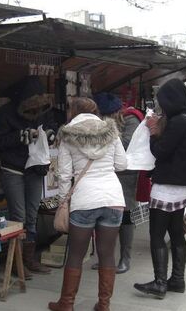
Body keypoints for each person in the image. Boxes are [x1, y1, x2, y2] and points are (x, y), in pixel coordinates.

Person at [48, 97, 127, 311]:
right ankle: (104, 305)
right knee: (107, 253)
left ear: (73, 111)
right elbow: (122, 164)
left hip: (84, 199)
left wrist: (64, 201)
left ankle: (66, 303)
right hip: (113, 198)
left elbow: (64, 175)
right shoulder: (110, 131)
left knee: (76, 253)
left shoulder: (67, 134)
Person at [134, 78, 186, 299]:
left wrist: (153, 131)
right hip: (184, 186)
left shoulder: (178, 121)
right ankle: (177, 280)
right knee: (176, 232)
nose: (161, 106)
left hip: (168, 185)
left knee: (156, 234)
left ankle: (160, 282)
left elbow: (161, 152)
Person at [0, 76, 57, 276]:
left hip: (34, 168)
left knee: (32, 215)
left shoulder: (43, 110)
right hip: (13, 168)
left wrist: (50, 134)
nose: (35, 113)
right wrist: (20, 136)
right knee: (18, 217)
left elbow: (49, 125)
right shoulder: (5, 113)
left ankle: (28, 260)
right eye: (31, 108)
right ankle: (16, 263)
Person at [92, 92, 140, 274]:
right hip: (106, 173)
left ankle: (125, 259)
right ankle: (106, 258)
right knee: (105, 216)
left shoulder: (130, 119)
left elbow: (128, 144)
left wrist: (106, 132)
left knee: (125, 217)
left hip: (126, 174)